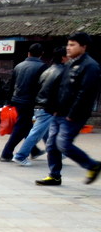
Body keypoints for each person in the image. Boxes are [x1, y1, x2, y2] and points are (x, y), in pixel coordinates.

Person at [36, 32, 101, 186]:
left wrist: (72, 114)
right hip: (59, 112)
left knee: (63, 144)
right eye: (68, 44)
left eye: (72, 45)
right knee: (52, 145)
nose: (68, 48)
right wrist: (54, 108)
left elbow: (86, 94)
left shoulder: (90, 66)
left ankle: (92, 165)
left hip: (73, 115)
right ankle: (54, 176)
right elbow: (62, 89)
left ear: (83, 47)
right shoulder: (69, 64)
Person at [13, 47, 68, 166]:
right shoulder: (62, 71)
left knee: (47, 132)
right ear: (64, 57)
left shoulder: (48, 70)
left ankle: (57, 153)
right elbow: (61, 92)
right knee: (36, 133)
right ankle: (20, 155)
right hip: (48, 107)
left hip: (39, 104)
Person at [0, 44, 47, 162]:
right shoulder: (43, 67)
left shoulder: (18, 66)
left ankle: (34, 150)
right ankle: (6, 153)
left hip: (17, 100)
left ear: (28, 53)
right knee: (21, 127)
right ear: (41, 54)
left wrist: (9, 101)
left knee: (26, 125)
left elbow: (11, 85)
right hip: (30, 101)